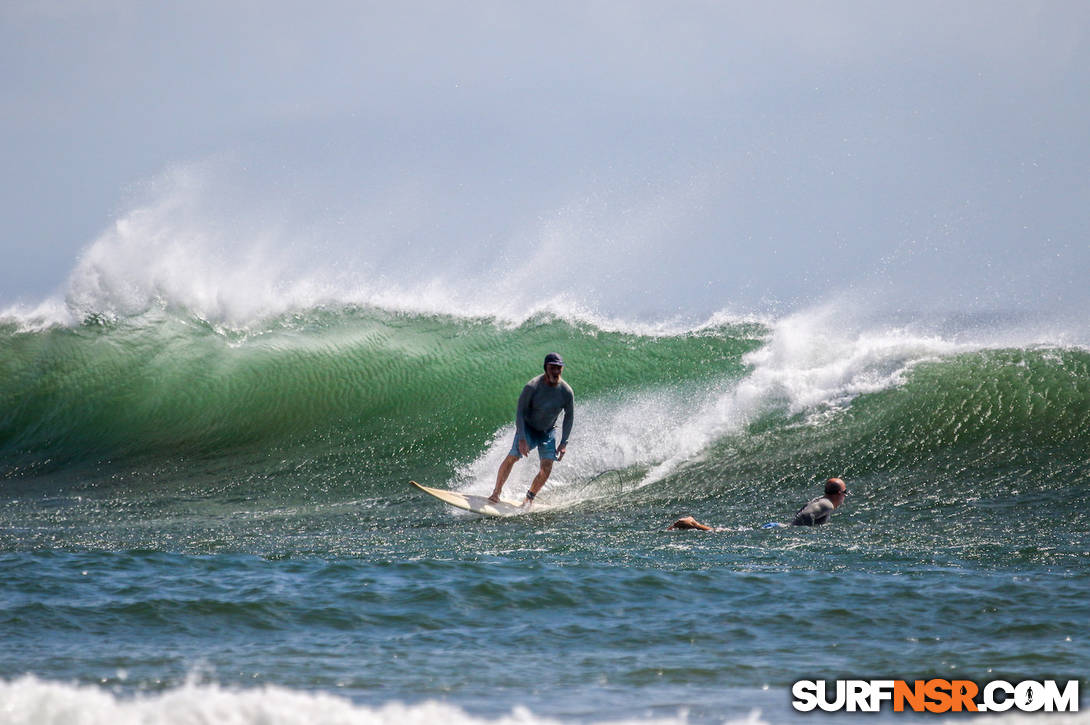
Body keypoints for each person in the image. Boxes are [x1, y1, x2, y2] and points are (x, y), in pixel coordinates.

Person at [489, 352, 574, 507]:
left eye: (559, 368)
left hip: (548, 432)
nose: (555, 371)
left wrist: (563, 443)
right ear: (545, 368)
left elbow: (569, 417)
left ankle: (529, 498)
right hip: (528, 429)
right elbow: (520, 413)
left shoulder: (567, 392)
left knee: (547, 467)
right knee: (513, 457)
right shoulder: (532, 387)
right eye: (552, 368)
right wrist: (522, 437)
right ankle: (496, 493)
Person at [667, 477, 848, 530]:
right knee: (729, 535)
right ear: (838, 493)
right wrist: (798, 533)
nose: (845, 496)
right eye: (845, 493)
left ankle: (694, 524)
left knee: (733, 533)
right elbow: (806, 515)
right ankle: (694, 524)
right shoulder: (827, 504)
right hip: (779, 529)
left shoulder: (821, 500)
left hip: (778, 526)